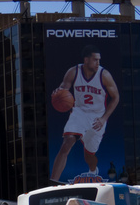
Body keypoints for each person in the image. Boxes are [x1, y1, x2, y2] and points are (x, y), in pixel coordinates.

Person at [49, 46, 120, 182]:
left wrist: (104, 118)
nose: (98, 62)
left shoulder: (104, 75)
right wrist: (58, 93)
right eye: (95, 60)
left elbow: (116, 97)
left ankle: (93, 170)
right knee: (67, 142)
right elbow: (64, 88)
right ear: (86, 60)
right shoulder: (73, 71)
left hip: (97, 117)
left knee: (89, 154)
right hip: (79, 113)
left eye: (99, 60)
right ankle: (53, 182)